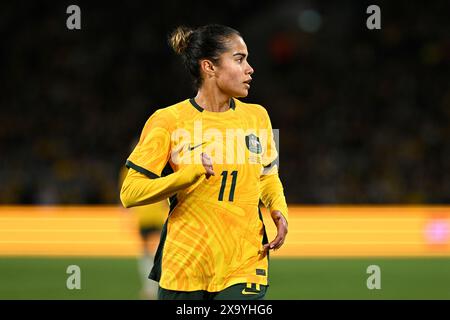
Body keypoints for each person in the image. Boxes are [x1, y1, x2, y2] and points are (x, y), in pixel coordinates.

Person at [120, 24, 288, 300]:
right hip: (184, 266)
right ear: (209, 67)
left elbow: (268, 176)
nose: (250, 68)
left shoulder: (258, 117)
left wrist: (279, 209)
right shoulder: (168, 121)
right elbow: (129, 193)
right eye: (239, 59)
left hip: (244, 263)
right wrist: (186, 176)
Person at [118, 143, 169, 300]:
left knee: (148, 252)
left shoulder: (128, 169)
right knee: (154, 253)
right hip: (152, 216)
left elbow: (124, 193)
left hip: (150, 215)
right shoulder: (161, 164)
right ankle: (154, 286)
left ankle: (150, 288)